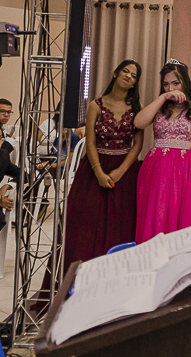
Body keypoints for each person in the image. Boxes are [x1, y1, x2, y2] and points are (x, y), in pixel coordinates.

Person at [61, 60, 143, 273]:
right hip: (94, 169)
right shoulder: (95, 105)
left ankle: (116, 277)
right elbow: (90, 141)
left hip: (124, 171)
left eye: (133, 75)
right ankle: (79, 278)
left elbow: (138, 145)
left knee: (121, 224)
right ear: (116, 73)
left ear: (135, 83)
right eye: (125, 71)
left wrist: (121, 171)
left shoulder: (137, 109)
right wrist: (98, 172)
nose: (128, 76)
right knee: (84, 225)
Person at [132, 60, 191, 243]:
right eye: (166, 84)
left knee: (189, 218)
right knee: (158, 216)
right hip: (159, 171)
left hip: (190, 171)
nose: (171, 88)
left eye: (175, 83)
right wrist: (162, 98)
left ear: (185, 82)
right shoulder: (158, 108)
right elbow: (138, 123)